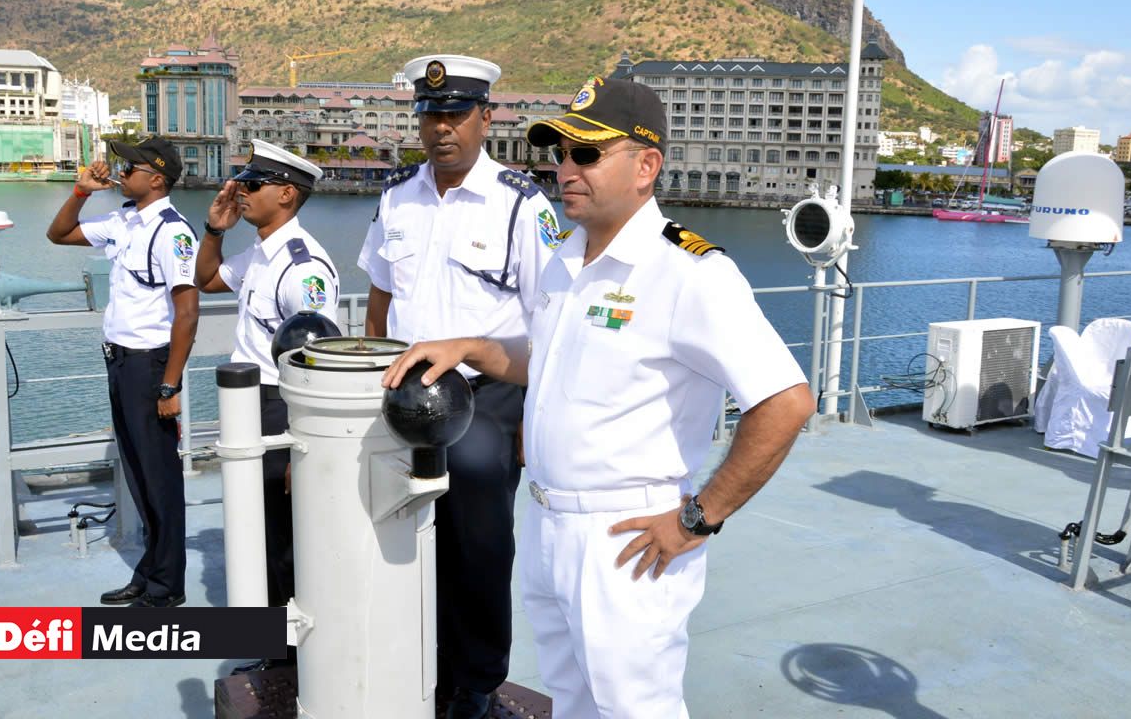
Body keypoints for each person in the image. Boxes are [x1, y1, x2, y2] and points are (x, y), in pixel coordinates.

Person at [381, 76, 814, 718]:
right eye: (560, 154)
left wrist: (700, 517)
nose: (565, 170)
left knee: (636, 707)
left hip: (628, 536)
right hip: (551, 523)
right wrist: (470, 346)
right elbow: (549, 360)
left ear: (646, 166)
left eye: (586, 155)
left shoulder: (689, 273)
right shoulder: (567, 257)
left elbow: (786, 401)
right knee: (575, 702)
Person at [357, 54, 563, 719]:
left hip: (487, 393)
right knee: (396, 533)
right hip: (406, 393)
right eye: (431, 114)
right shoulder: (396, 199)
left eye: (456, 115)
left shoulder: (520, 205)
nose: (442, 128)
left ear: (485, 118)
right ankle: (413, 665)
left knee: (477, 542)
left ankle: (475, 684)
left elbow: (549, 322)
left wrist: (535, 418)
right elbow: (378, 304)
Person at [194, 140, 337, 666]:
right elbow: (206, 279)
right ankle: (269, 638)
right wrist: (215, 229)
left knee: (283, 533)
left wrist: (306, 446)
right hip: (247, 403)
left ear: (286, 193)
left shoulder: (304, 269)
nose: (241, 191)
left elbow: (318, 361)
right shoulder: (259, 251)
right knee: (254, 524)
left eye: (252, 185)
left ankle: (292, 652)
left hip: (283, 405)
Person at [45, 137, 198, 608]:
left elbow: (187, 312)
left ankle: (167, 585)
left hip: (149, 364)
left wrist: (169, 384)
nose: (119, 170)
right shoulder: (124, 220)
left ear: (156, 178)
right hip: (120, 360)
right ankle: (150, 569)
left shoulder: (173, 233)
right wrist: (81, 192)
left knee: (160, 476)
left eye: (128, 166)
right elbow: (59, 235)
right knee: (137, 473)